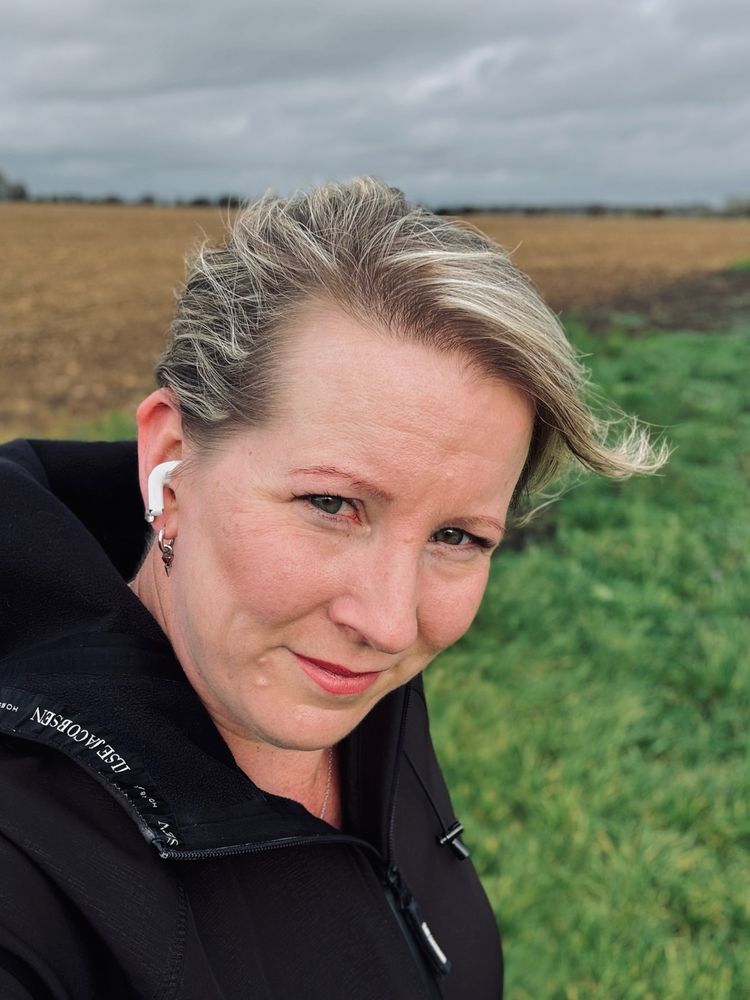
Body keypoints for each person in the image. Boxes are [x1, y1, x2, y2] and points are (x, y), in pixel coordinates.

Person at [0, 177, 665, 999]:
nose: (388, 624)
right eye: (332, 504)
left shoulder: (321, 680)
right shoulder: (24, 876)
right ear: (171, 462)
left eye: (457, 536)